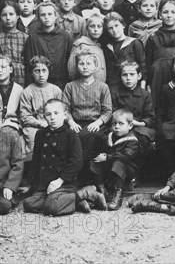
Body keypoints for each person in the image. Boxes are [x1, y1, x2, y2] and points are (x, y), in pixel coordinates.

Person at [23, 99, 107, 215]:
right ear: (44, 117)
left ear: (65, 115)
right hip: (45, 183)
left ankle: (86, 193)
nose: (52, 117)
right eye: (48, 114)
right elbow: (36, 160)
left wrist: (60, 180)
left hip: (64, 183)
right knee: (29, 203)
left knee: (52, 207)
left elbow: (76, 162)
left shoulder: (70, 135)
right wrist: (31, 184)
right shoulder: (40, 134)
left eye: (56, 113)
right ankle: (75, 202)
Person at [62, 50, 112, 182]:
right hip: (76, 123)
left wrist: (98, 123)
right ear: (76, 66)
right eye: (81, 63)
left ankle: (95, 178)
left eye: (89, 63)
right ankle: (78, 177)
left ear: (95, 67)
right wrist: (71, 122)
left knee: (94, 137)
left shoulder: (103, 87)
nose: (85, 66)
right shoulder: (70, 87)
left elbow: (107, 111)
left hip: (96, 124)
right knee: (73, 137)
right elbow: (65, 108)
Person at [19, 56, 63, 191]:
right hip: (35, 126)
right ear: (31, 73)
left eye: (44, 70)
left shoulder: (56, 90)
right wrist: (40, 123)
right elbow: (25, 116)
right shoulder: (28, 91)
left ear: (49, 72)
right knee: (34, 139)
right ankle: (32, 180)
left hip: (55, 123)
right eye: (37, 71)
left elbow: (63, 111)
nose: (41, 74)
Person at [91, 109, 140, 210]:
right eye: (114, 124)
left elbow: (126, 156)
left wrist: (107, 157)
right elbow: (104, 151)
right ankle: (102, 192)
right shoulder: (110, 137)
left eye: (121, 124)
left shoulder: (132, 141)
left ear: (130, 126)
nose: (116, 126)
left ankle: (118, 196)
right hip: (111, 169)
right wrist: (102, 156)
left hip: (127, 170)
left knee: (118, 163)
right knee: (95, 162)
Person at [145, 0, 175, 111]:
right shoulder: (153, 37)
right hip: (157, 78)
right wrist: (148, 83)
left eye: (173, 12)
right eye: (165, 12)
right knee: (158, 107)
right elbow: (147, 62)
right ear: (160, 15)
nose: (169, 16)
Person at [23, 3, 72, 89]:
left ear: (56, 16)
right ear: (38, 17)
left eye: (49, 14)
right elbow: (28, 63)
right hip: (38, 83)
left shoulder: (65, 37)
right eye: (43, 14)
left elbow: (69, 61)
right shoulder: (33, 37)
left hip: (60, 83)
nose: (46, 17)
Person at [110, 61, 155, 154]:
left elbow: (150, 118)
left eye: (132, 74)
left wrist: (139, 123)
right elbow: (113, 113)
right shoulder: (115, 92)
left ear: (139, 76)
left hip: (139, 127)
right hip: (120, 126)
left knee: (142, 138)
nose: (128, 78)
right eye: (125, 75)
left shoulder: (145, 94)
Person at [0, 0, 29, 86]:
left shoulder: (25, 37)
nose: (8, 18)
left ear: (18, 16)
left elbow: (28, 64)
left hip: (20, 79)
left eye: (11, 14)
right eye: (4, 15)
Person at [104, 12, 147, 89]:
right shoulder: (107, 47)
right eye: (110, 28)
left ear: (123, 25)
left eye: (116, 25)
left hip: (132, 86)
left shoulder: (134, 43)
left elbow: (142, 67)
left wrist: (142, 89)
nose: (114, 30)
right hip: (113, 88)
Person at [67, 14, 107, 83]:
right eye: (92, 26)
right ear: (87, 28)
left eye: (99, 26)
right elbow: (72, 70)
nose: (96, 29)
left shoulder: (100, 47)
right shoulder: (80, 44)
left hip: (99, 88)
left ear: (103, 30)